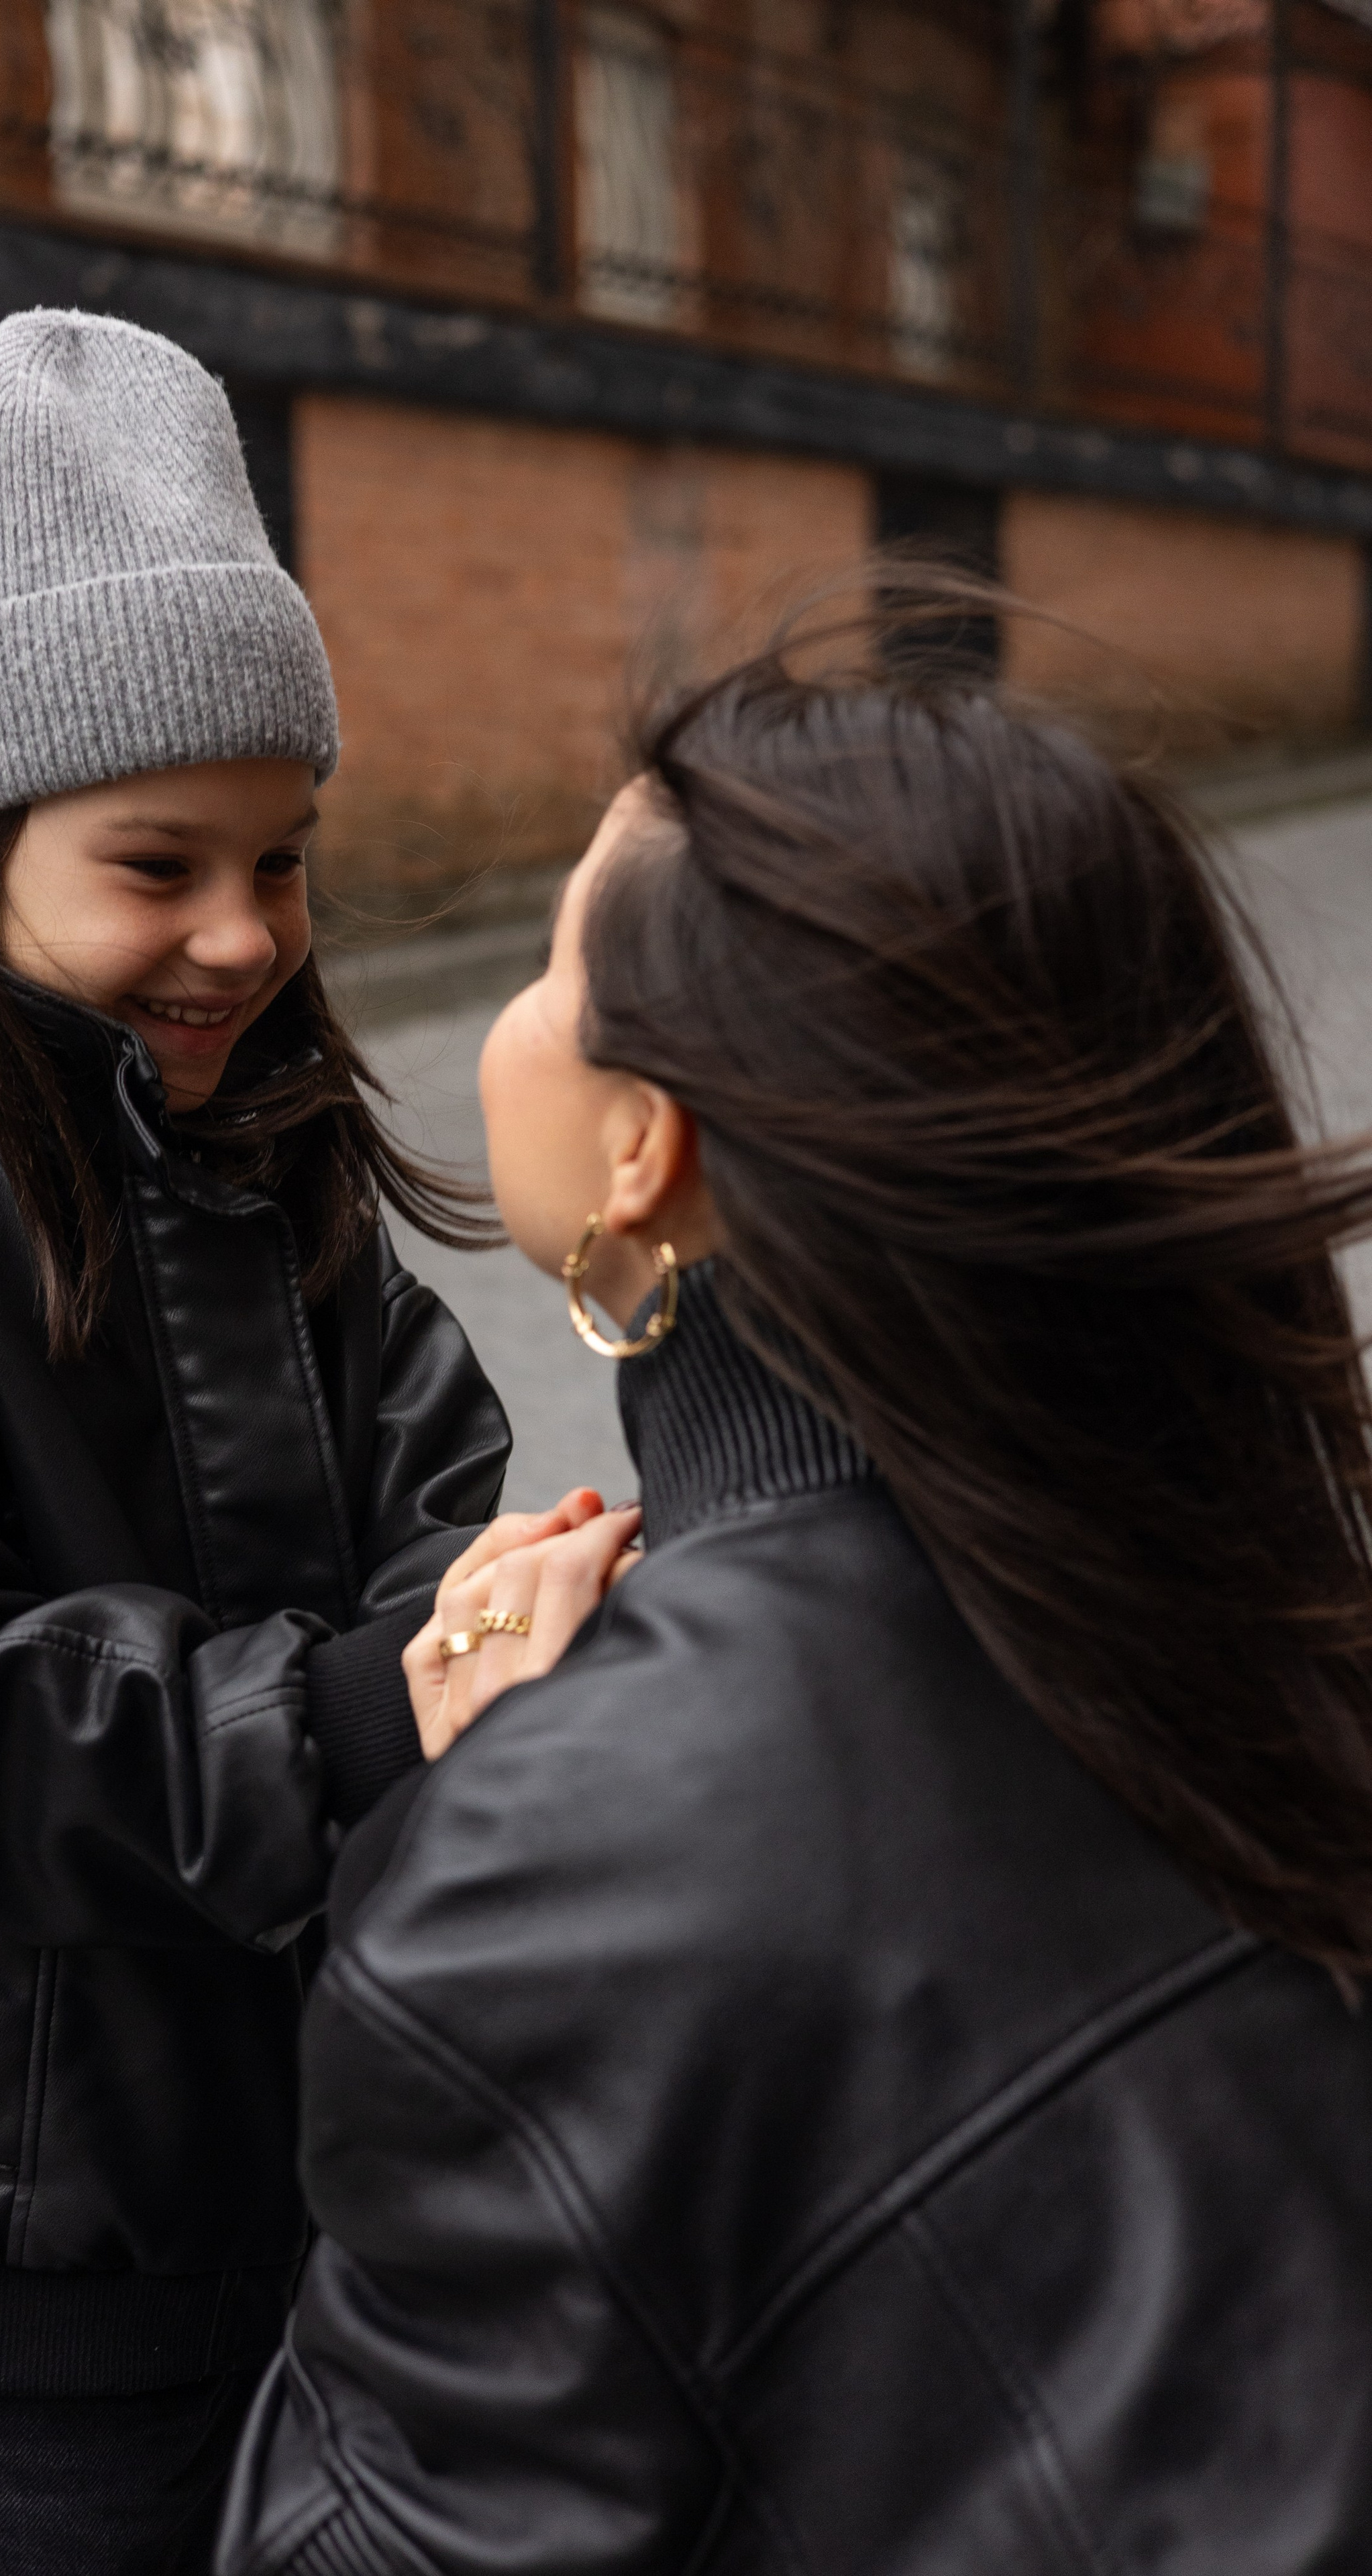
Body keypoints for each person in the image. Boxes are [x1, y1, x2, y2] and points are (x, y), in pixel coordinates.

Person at [219, 633, 1372, 2572]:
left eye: (552, 967)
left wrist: (494, 1819)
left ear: (642, 1149)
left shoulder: (557, 1876)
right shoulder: (1269, 1596)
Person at [0, 309, 601, 2573]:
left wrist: (481, 1610)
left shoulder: (252, 1133)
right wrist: (378, 1706)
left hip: (292, 2184)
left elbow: (420, 1467)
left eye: (282, 863)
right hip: (1, 2273)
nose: (242, 937)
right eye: (157, 865)